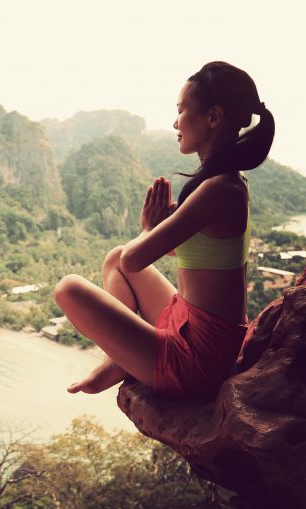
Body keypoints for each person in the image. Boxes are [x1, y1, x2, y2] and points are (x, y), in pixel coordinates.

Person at [54, 61, 275, 398]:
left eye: (182, 110)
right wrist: (157, 230)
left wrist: (148, 229)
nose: (175, 122)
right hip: (194, 327)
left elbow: (133, 262)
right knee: (114, 256)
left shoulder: (218, 189)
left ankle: (121, 358)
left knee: (68, 288)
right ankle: (122, 357)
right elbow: (181, 252)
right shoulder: (228, 182)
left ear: (214, 117)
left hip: (195, 361)